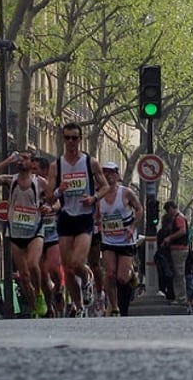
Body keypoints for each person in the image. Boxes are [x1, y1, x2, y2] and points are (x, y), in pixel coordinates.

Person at [45, 123, 109, 317]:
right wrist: (59, 190)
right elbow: (49, 197)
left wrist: (93, 198)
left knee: (76, 262)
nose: (71, 142)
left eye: (74, 138)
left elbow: (105, 186)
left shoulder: (91, 163)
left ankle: (88, 278)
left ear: (80, 139)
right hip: (65, 217)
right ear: (63, 139)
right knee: (67, 268)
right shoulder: (56, 165)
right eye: (67, 138)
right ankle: (79, 306)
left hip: (84, 218)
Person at [0, 149, 49, 318]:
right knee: (24, 277)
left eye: (25, 158)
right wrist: (7, 161)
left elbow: (55, 198)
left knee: (33, 265)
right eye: (19, 158)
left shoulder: (39, 182)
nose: (21, 161)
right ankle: (35, 308)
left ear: (31, 163)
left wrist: (51, 207)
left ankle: (39, 294)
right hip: (15, 234)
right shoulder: (10, 181)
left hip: (35, 232)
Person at [96, 161, 142, 316]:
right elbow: (96, 215)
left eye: (110, 172)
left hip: (125, 239)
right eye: (104, 172)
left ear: (116, 175)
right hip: (108, 239)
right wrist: (98, 225)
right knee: (110, 274)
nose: (107, 175)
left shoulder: (126, 193)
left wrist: (133, 227)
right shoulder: (98, 194)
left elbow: (139, 209)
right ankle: (114, 306)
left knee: (122, 278)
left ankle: (132, 275)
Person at [31, 156, 63, 317]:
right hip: (35, 233)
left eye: (35, 169)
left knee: (53, 268)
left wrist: (51, 209)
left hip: (53, 233)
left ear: (44, 171)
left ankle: (58, 288)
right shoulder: (26, 186)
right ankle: (49, 305)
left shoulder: (51, 186)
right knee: (43, 275)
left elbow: (58, 203)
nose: (32, 172)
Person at [161, 200, 190, 306]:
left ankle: (181, 298)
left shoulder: (179, 218)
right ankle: (180, 296)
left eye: (168, 210)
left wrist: (170, 238)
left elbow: (182, 231)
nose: (168, 213)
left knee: (179, 274)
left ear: (171, 208)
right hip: (178, 248)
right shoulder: (179, 217)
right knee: (178, 274)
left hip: (179, 249)